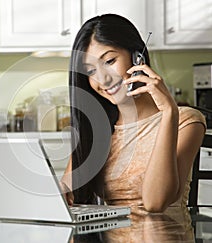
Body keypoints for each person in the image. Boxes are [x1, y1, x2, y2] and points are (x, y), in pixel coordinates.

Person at [60, 14, 206, 212]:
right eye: (90, 71)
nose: (103, 79)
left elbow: (155, 203)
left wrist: (168, 112)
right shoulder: (97, 130)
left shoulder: (186, 121)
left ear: (138, 56)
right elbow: (66, 199)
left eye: (110, 61)